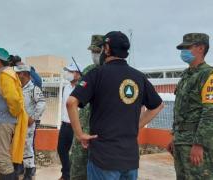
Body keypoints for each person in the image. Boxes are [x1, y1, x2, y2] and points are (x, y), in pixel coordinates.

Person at [67, 31, 164, 180]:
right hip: (130, 160)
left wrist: (80, 134)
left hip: (103, 159)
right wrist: (136, 126)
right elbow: (158, 106)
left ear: (106, 49)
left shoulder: (97, 74)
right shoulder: (139, 77)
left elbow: (71, 102)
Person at [167, 33, 213, 179]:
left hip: (196, 144)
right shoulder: (187, 75)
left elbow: (210, 112)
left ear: (201, 48)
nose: (183, 52)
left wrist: (199, 144)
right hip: (181, 141)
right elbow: (182, 110)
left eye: (187, 47)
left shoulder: (208, 75)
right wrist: (175, 136)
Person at [0, 48, 28, 180]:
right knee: (5, 157)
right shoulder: (6, 75)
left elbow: (14, 99)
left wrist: (13, 113)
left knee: (2, 158)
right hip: (3, 121)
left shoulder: (5, 76)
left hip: (2, 122)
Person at [70, 34, 103, 180]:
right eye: (92, 52)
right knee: (77, 169)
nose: (94, 55)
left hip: (102, 133)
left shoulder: (113, 72)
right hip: (83, 128)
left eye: (97, 52)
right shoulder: (89, 70)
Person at [14, 64, 46, 180]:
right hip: (16, 123)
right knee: (17, 146)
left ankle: (29, 172)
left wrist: (33, 117)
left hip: (28, 124)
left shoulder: (34, 89)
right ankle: (19, 168)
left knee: (27, 147)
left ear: (23, 74)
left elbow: (42, 103)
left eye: (18, 73)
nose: (16, 75)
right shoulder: (18, 87)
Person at [58, 62, 83, 180]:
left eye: (70, 71)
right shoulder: (66, 87)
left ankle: (70, 175)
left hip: (76, 126)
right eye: (67, 71)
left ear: (78, 74)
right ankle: (66, 174)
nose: (67, 74)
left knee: (75, 154)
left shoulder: (82, 88)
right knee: (61, 149)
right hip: (65, 124)